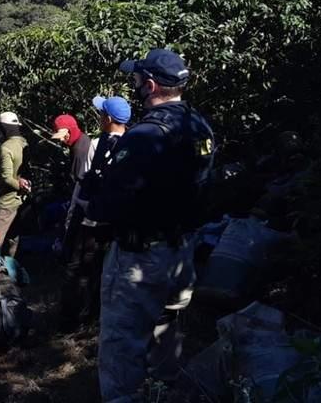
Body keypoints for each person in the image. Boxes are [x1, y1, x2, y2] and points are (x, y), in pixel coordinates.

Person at [87, 49, 215, 403]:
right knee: (166, 335)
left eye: (137, 80)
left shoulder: (145, 135)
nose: (134, 86)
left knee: (121, 347)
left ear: (151, 85)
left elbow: (112, 202)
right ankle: (163, 394)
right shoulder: (198, 126)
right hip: (181, 251)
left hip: (140, 256)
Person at [60, 96, 131, 330]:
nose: (99, 117)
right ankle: (94, 316)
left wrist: (74, 213)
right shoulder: (131, 144)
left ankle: (74, 319)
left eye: (101, 114)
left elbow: (86, 182)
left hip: (90, 217)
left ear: (108, 118)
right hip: (112, 219)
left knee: (78, 267)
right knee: (101, 268)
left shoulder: (98, 144)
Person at [0, 112, 30, 257]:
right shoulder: (24, 143)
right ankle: (10, 270)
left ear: (3, 128)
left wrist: (20, 185)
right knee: (13, 239)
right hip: (20, 200)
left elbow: (7, 178)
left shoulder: (6, 147)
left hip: (5, 202)